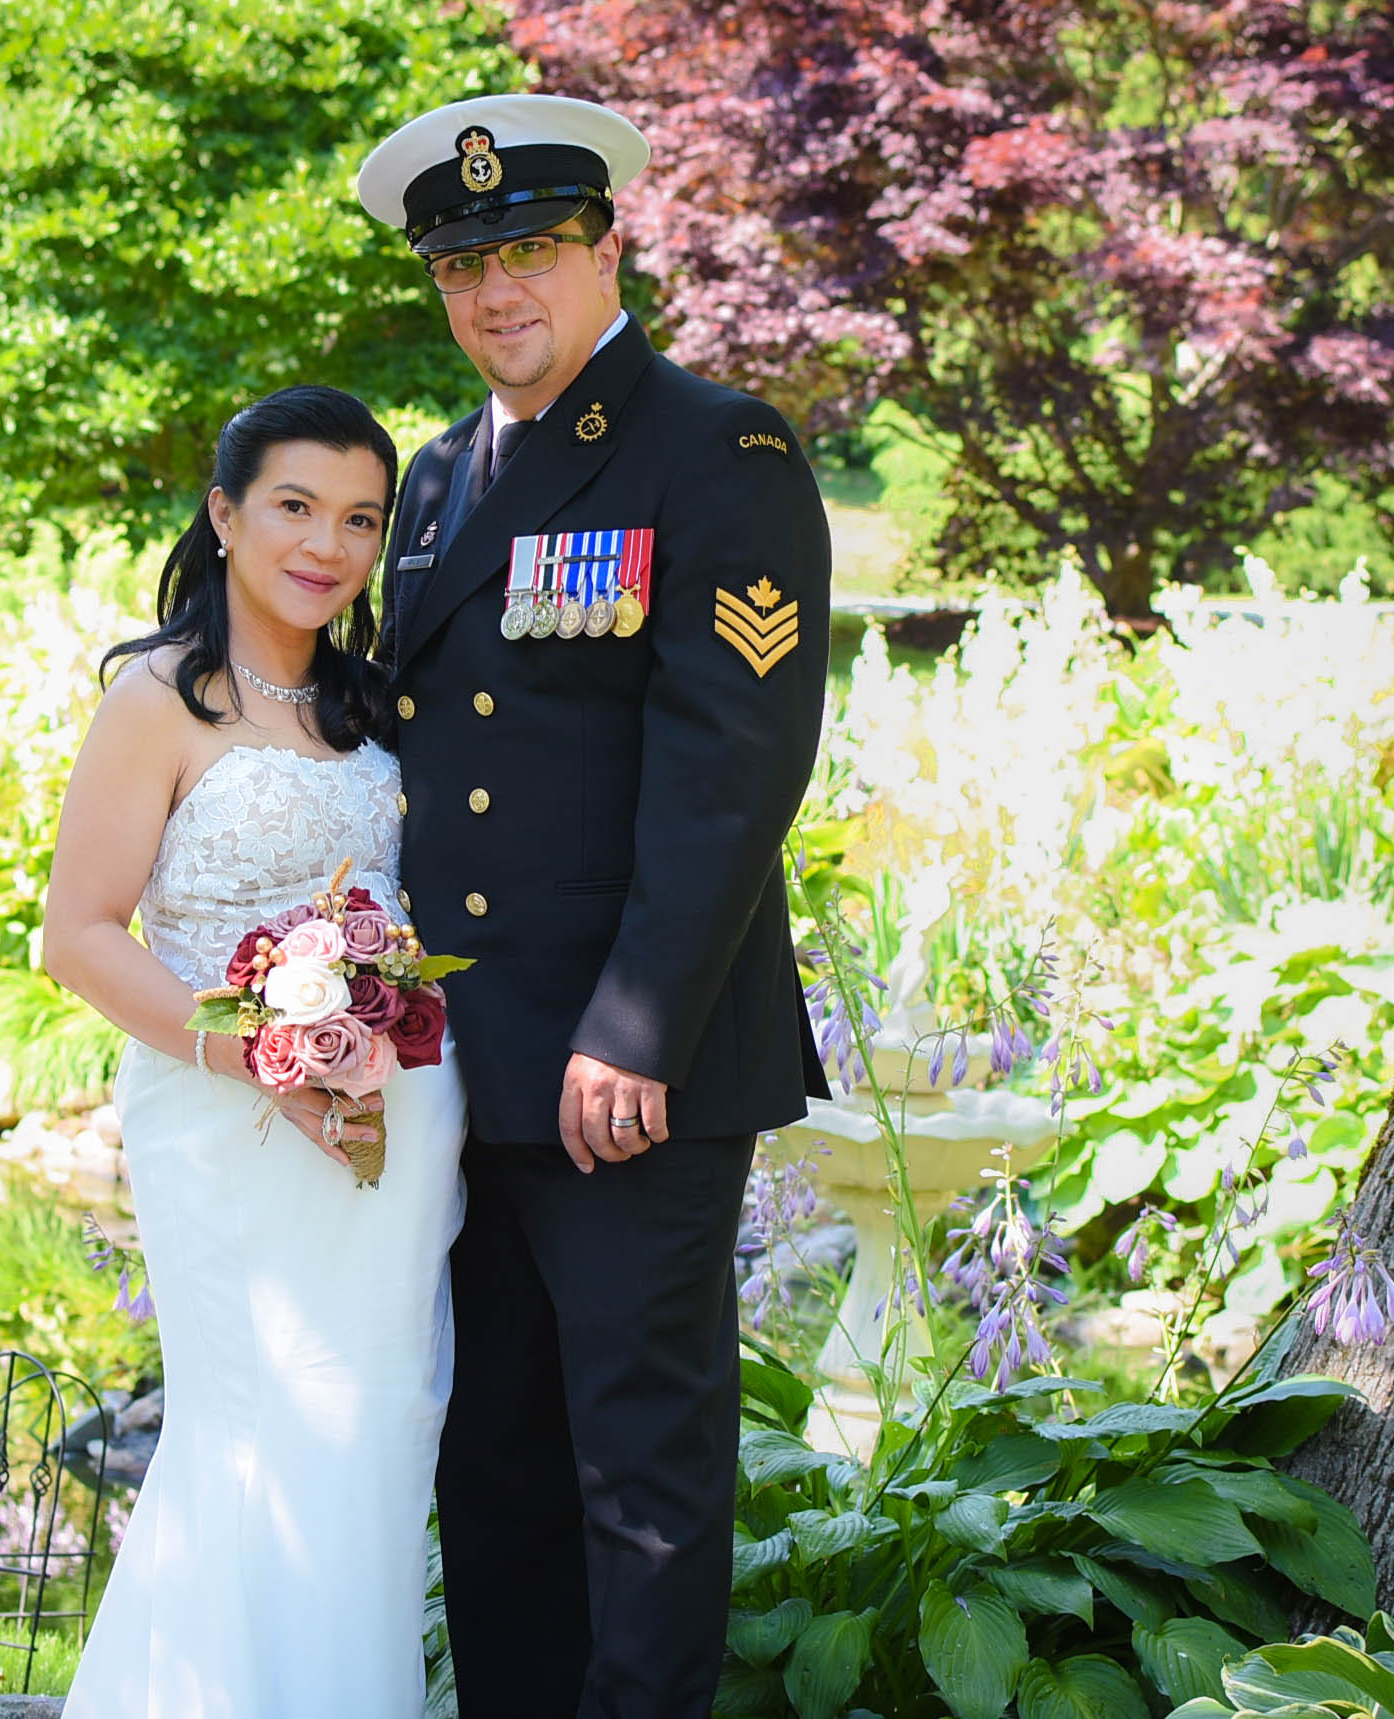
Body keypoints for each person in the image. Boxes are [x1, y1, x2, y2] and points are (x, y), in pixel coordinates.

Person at [353, 94, 833, 1718]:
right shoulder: (433, 481)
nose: (495, 292)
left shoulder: (716, 449)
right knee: (490, 1458)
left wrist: (632, 1028)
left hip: (628, 1063)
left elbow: (730, 770)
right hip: (460, 1057)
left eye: (531, 252)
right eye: (460, 265)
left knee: (639, 1470)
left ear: (607, 247)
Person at [40, 385, 466, 1718]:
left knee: (374, 1432)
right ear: (223, 514)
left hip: (394, 1125)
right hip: (227, 1124)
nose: (326, 546)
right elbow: (78, 935)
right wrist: (258, 1060)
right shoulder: (157, 702)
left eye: (360, 519)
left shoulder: (379, 705)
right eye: (294, 506)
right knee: (254, 1430)